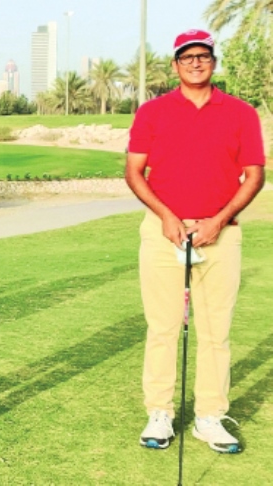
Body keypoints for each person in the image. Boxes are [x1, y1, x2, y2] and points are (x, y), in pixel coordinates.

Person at [128, 29, 265, 454]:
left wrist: (218, 221)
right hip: (162, 230)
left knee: (214, 330)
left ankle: (209, 415)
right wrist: (167, 216)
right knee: (163, 327)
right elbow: (134, 172)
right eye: (187, 57)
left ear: (213, 62)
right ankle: (161, 412)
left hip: (220, 234)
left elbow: (255, 175)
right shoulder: (153, 111)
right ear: (175, 65)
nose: (195, 63)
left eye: (203, 56)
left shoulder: (241, 113)